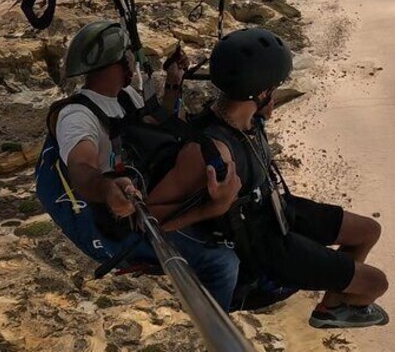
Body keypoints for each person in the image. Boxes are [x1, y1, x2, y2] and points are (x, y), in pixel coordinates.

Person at [148, 27, 390, 328]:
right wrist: (212, 209)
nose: (275, 97)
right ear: (260, 93)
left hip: (277, 209)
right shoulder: (213, 150)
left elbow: (176, 119)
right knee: (376, 284)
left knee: (368, 231)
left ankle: (333, 304)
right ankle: (331, 308)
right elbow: (149, 221)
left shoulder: (247, 119)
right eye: (273, 89)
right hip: (266, 247)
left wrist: (174, 82)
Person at [34, 20, 241, 311]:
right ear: (117, 62)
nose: (132, 59)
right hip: (114, 215)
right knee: (221, 261)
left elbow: (155, 128)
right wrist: (106, 189)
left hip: (141, 188)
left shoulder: (125, 95)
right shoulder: (77, 116)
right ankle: (217, 325)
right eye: (128, 54)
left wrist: (173, 83)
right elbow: (80, 167)